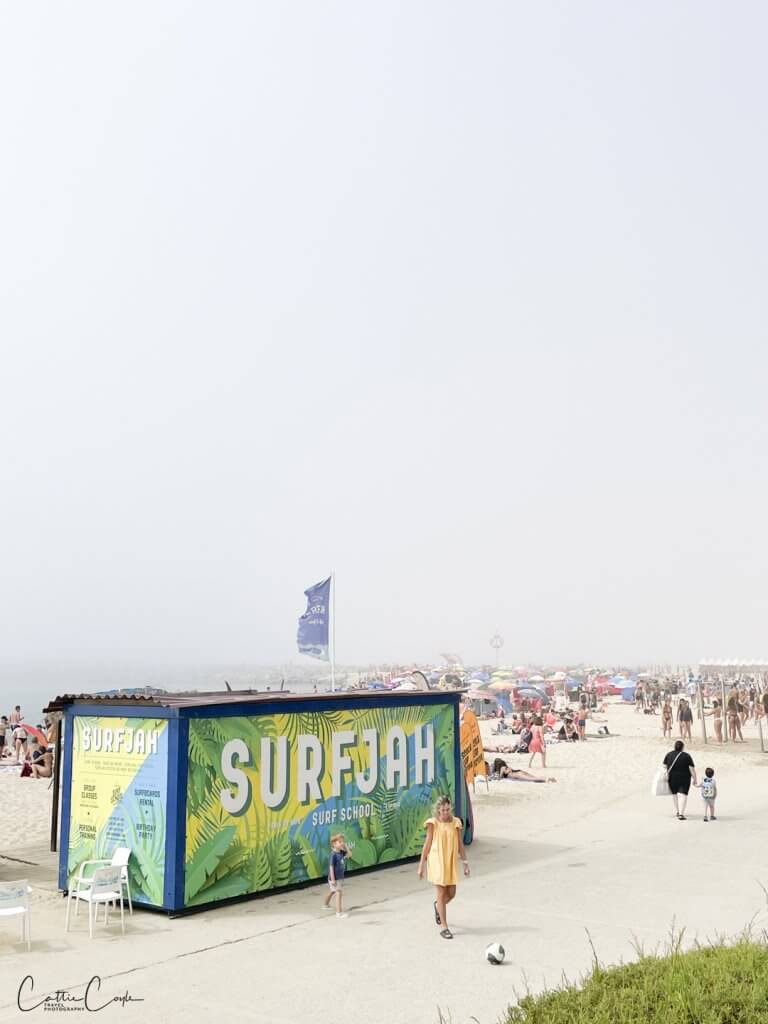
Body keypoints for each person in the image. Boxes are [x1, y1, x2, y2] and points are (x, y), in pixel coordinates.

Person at [417, 795, 469, 940]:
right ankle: (444, 927)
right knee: (440, 893)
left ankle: (438, 906)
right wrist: (421, 865)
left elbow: (460, 844)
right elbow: (427, 844)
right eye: (443, 810)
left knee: (451, 894)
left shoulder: (456, 823)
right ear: (438, 810)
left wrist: (465, 864)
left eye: (448, 809)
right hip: (436, 860)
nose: (446, 812)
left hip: (450, 861)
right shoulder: (433, 823)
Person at [662, 740, 697, 820]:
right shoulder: (686, 756)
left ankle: (678, 811)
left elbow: (664, 767)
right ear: (682, 747)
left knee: (675, 795)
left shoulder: (669, 754)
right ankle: (681, 814)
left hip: (672, 778)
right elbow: (691, 769)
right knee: (683, 795)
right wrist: (695, 779)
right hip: (684, 778)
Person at [322, 833, 348, 918]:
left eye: (342, 842)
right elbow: (331, 867)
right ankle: (338, 913)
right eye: (339, 842)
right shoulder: (333, 854)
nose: (341, 843)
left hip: (339, 877)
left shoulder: (341, 852)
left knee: (332, 891)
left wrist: (346, 846)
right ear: (334, 844)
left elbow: (350, 855)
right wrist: (333, 879)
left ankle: (325, 905)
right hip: (335, 878)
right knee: (338, 893)